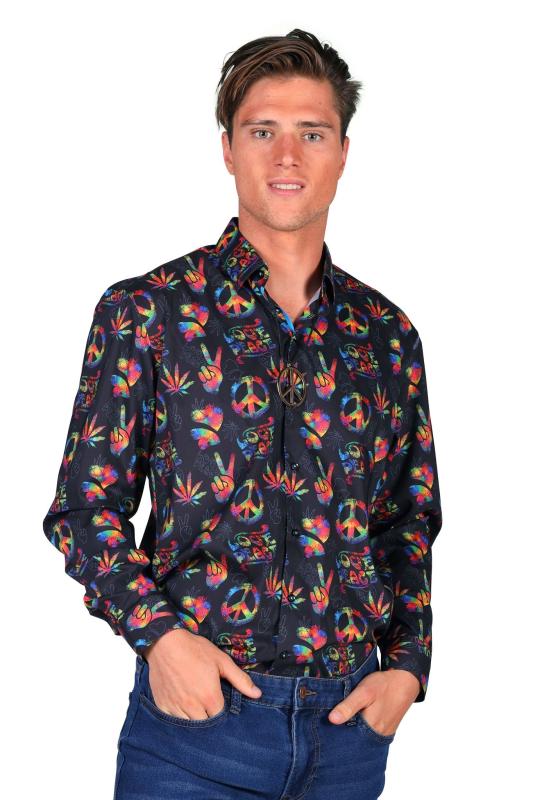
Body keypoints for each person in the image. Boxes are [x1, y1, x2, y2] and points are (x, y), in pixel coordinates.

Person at [43, 28, 443, 800]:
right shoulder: (149, 312)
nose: (286, 155)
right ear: (228, 149)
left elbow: (407, 519)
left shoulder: (387, 335)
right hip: (193, 732)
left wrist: (407, 668)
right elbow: (84, 511)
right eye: (263, 131)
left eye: (311, 133)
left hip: (348, 739)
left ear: (342, 153)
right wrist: (161, 640)